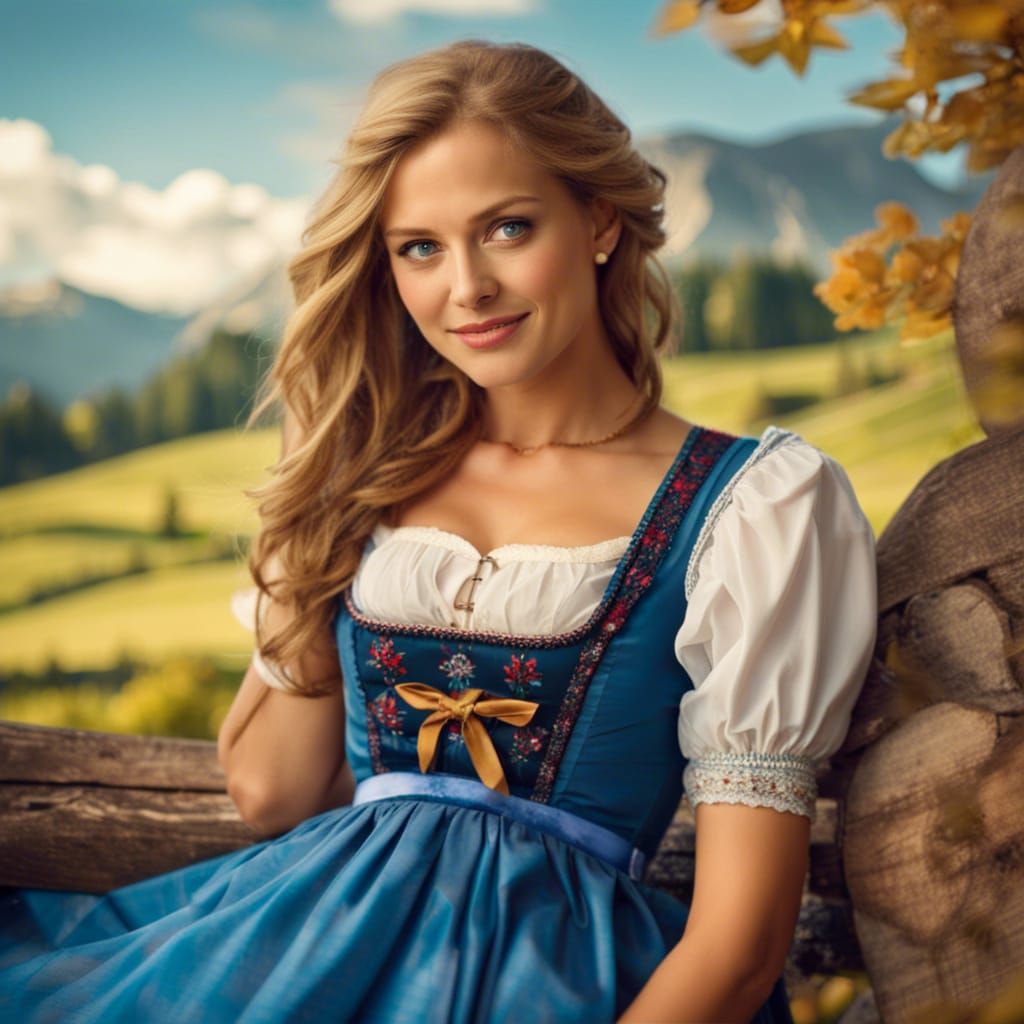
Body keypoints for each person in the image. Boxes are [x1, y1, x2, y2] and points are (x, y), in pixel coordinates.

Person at [0, 38, 878, 1023]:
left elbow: (739, 945)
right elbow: (274, 791)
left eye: (506, 228)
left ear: (596, 220)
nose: (465, 288)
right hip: (310, 955)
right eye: (418, 246)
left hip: (571, 986)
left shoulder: (751, 508)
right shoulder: (374, 478)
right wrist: (322, 500)